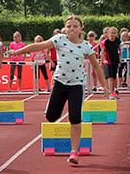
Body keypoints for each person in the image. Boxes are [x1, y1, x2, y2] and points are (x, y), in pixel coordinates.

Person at [9, 15, 106, 165]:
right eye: (69, 26)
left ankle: (74, 151)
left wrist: (104, 87)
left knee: (75, 117)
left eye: (75, 26)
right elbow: (38, 46)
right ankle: (50, 109)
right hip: (60, 82)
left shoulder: (86, 46)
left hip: (77, 85)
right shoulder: (59, 39)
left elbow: (97, 66)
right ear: (65, 28)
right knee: (51, 117)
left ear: (81, 29)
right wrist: (18, 52)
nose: (71, 29)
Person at [101, 27, 121, 99]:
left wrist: (120, 59)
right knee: (110, 77)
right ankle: (111, 93)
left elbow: (119, 49)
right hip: (108, 61)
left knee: (115, 76)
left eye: (114, 33)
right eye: (111, 33)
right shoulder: (106, 42)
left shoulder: (117, 41)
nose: (113, 34)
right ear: (108, 34)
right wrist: (104, 59)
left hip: (115, 60)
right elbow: (103, 51)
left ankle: (114, 92)